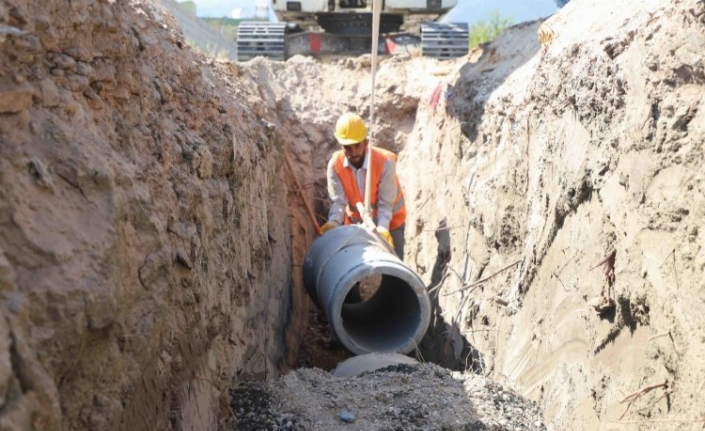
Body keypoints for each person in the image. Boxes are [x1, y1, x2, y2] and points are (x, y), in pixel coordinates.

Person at [320, 112, 407, 259]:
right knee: (353, 260)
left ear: (366, 143)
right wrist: (334, 222)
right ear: (340, 146)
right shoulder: (335, 165)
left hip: (391, 222)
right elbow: (339, 202)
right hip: (356, 224)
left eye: (357, 146)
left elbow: (386, 204)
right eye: (347, 147)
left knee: (394, 262)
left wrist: (382, 228)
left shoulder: (385, 163)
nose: (353, 153)